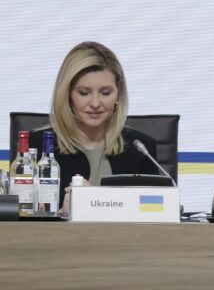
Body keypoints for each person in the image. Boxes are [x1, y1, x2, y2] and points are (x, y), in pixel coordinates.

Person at [30, 41, 158, 213]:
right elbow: (19, 226)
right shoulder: (37, 148)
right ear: (67, 94)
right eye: (84, 93)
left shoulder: (141, 149)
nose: (95, 103)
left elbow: (155, 215)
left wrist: (93, 202)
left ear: (118, 93)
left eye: (106, 93)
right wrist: (61, 214)